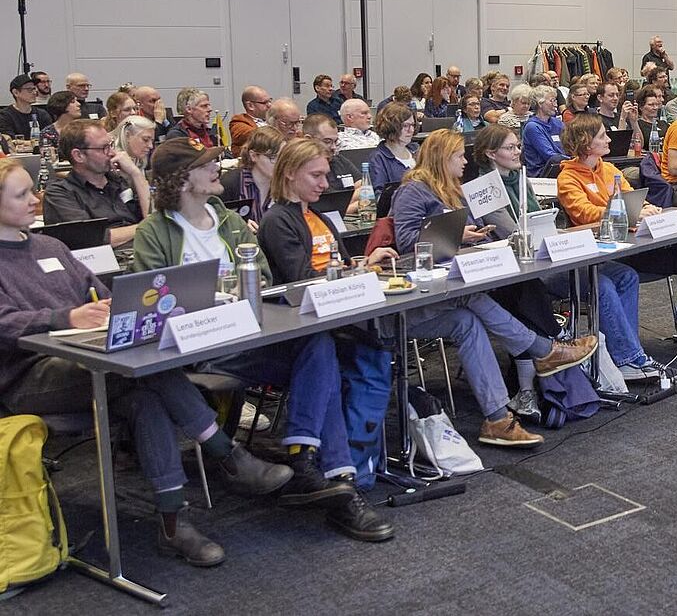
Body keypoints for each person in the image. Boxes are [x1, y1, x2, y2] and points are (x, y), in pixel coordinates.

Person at [0, 156, 292, 566]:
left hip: (90, 354)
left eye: (32, 190)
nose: (35, 200)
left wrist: (112, 307)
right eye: (22, 194)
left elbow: (99, 291)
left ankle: (173, 522)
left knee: (144, 394)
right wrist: (62, 317)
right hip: (29, 373)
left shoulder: (51, 246)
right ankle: (227, 454)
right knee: (142, 376)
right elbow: (4, 324)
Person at [390, 129, 598, 445]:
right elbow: (405, 243)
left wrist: (479, 236)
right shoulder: (413, 192)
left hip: (460, 276)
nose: (464, 161)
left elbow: (476, 231)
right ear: (441, 158)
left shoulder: (453, 190)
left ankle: (498, 418)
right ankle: (545, 351)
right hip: (426, 287)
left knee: (472, 320)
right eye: (459, 156)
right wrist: (458, 236)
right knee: (490, 297)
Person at [243, 138, 396, 541]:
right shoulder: (279, 221)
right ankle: (338, 479)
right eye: (316, 175)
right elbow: (302, 282)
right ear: (290, 174)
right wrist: (352, 276)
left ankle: (313, 462)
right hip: (295, 332)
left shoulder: (319, 217)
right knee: (323, 353)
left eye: (326, 174)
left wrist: (363, 263)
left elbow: (336, 267)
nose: (325, 183)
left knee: (337, 353)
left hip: (330, 323)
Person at [475, 124, 662, 387]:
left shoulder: (521, 177)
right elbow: (513, 232)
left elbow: (538, 222)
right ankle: (627, 358)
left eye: (518, 146)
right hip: (524, 270)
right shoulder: (482, 188)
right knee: (604, 284)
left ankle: (630, 354)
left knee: (626, 275)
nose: (518, 152)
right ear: (491, 154)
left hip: (547, 253)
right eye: (510, 147)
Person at [555, 115, 677, 358]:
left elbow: (632, 197)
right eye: (602, 135)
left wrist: (645, 208)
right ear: (585, 142)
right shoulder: (568, 177)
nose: (609, 138)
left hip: (632, 244)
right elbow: (583, 214)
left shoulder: (609, 169)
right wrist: (625, 211)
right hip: (606, 255)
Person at [43, 119, 149, 246]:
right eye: (104, 148)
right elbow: (94, 239)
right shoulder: (60, 193)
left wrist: (135, 174)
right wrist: (148, 228)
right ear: (78, 156)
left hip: (142, 250)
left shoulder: (120, 181)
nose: (112, 153)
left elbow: (155, 217)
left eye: (110, 145)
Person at [221, 127, 282, 223]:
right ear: (253, 156)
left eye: (283, 157)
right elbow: (220, 223)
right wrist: (241, 228)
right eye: (273, 157)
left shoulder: (285, 185)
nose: (280, 164)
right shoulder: (230, 183)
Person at [367, 102, 417, 191]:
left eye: (412, 125)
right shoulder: (378, 158)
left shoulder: (416, 150)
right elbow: (379, 195)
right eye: (405, 126)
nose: (411, 130)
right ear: (391, 126)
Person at [522, 85, 566, 176]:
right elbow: (549, 156)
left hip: (562, 167)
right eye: (552, 100)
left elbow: (571, 144)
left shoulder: (557, 123)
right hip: (542, 173)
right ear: (540, 103)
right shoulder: (532, 127)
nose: (556, 104)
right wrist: (573, 161)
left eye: (556, 100)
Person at [1, 73, 51, 139]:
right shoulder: (5, 115)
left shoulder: (42, 114)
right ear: (16, 92)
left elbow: (49, 137)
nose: (34, 92)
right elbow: (9, 141)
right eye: (29, 89)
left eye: (34, 89)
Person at [229, 86, 272, 154]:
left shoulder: (273, 118)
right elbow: (258, 137)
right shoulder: (238, 122)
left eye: (270, 101)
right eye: (264, 103)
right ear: (250, 106)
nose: (270, 105)